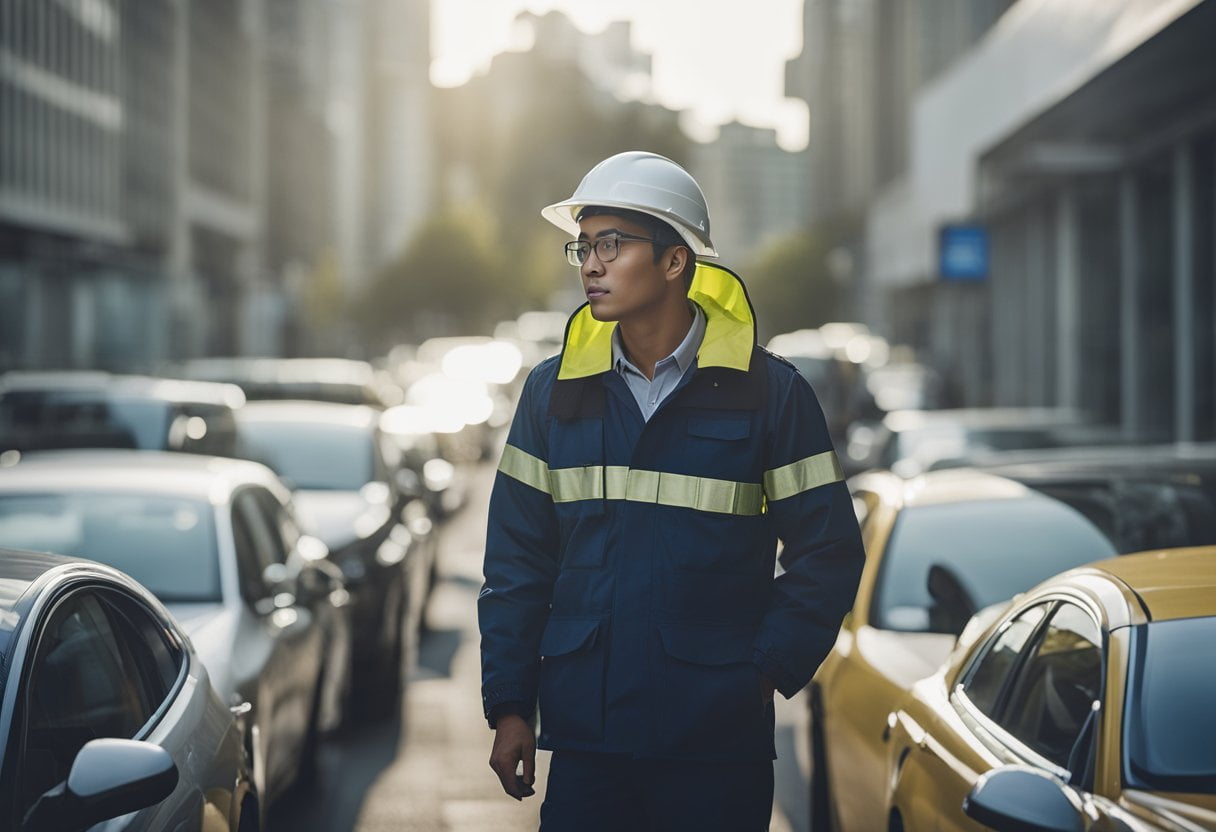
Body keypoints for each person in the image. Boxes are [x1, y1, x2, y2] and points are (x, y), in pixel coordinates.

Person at [479, 150, 865, 831]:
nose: (589, 265)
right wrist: (510, 705)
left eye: (610, 244)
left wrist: (761, 672)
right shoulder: (552, 393)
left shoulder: (769, 395)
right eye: (583, 246)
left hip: (716, 754)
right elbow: (517, 564)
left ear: (674, 261)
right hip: (588, 749)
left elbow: (829, 553)